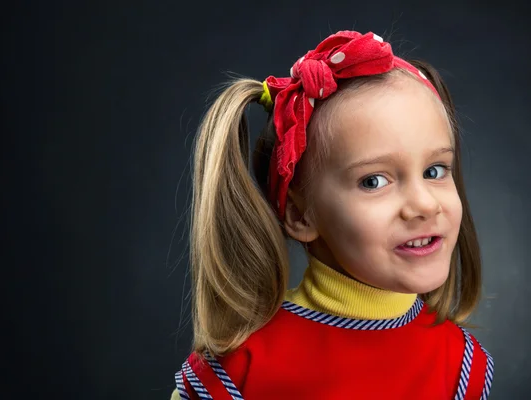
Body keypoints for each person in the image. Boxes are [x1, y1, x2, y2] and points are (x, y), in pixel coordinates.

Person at [171, 30, 494, 399]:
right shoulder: (242, 368)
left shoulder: (459, 365)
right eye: (373, 181)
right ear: (299, 214)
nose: (424, 204)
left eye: (435, 171)